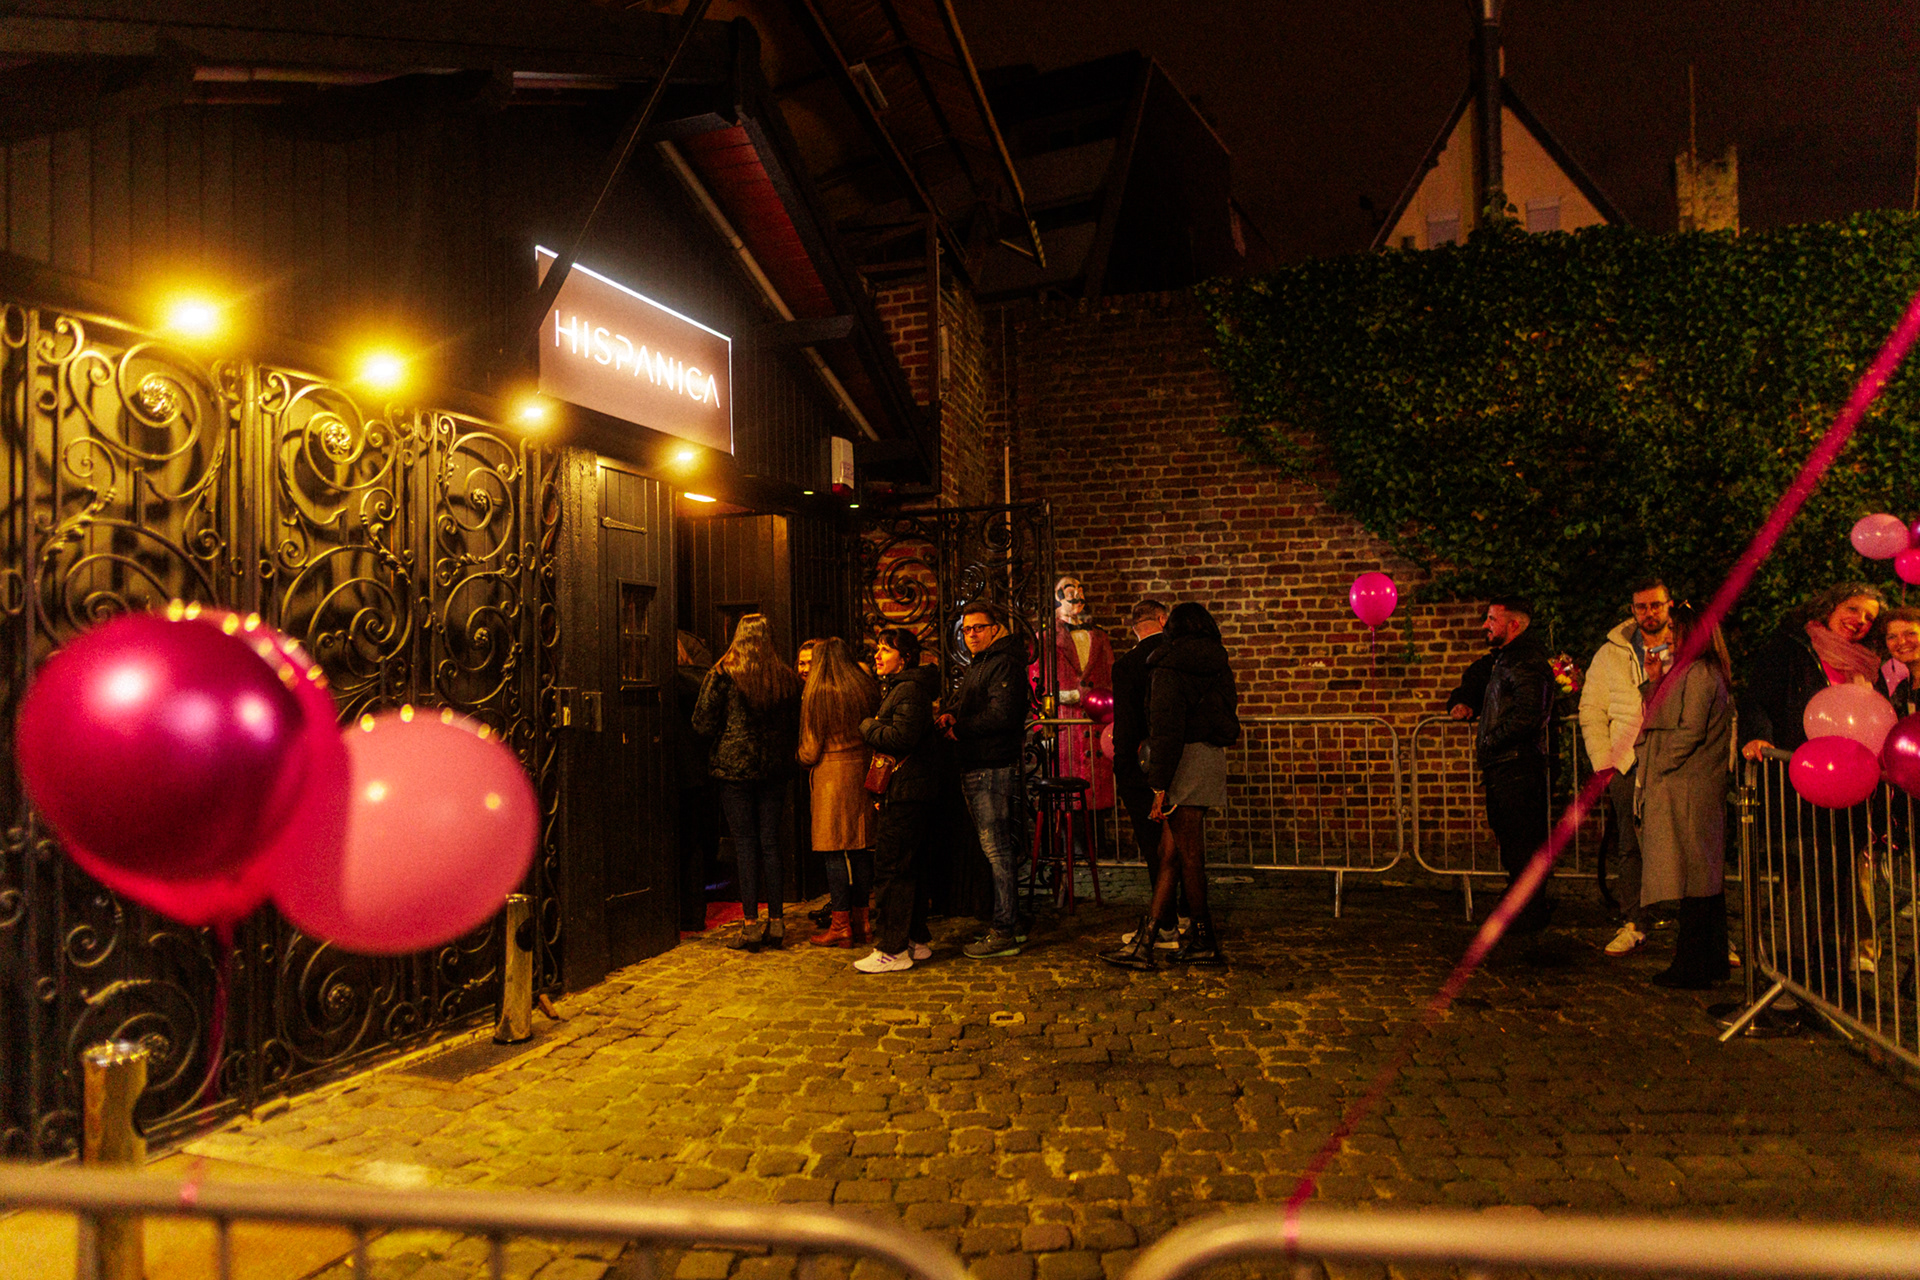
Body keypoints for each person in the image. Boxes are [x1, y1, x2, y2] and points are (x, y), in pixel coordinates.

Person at [1739, 583, 1885, 993]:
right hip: (1802, 787)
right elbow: (1756, 700)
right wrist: (1757, 736)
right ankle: (1790, 978)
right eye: (1852, 609)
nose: (1859, 620)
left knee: (1842, 887)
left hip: (1852, 793)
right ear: (1830, 606)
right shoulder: (1792, 649)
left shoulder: (1868, 664)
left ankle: (1831, 978)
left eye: (1869, 617)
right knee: (1809, 882)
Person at [1100, 601, 1239, 969]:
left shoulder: (1166, 666)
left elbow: (1166, 730)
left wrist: (1158, 786)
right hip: (1209, 758)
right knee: (1170, 854)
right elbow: (1228, 715)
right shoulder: (1217, 662)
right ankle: (1148, 940)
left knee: (1187, 855)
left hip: (1180, 763)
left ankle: (1203, 938)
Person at [1634, 604, 1735, 988]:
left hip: (1689, 787)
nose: (1668, 637)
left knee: (1694, 880)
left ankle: (1692, 964)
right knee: (1701, 879)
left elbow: (1689, 729)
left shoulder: (1701, 673)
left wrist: (1660, 765)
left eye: (1674, 631)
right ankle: (1711, 959)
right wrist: (1655, 680)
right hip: (1687, 784)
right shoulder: (1691, 672)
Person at [692, 614, 801, 951]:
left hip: (734, 768)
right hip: (773, 769)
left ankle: (750, 924)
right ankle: (777, 921)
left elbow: (702, 722)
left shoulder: (723, 674)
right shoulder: (784, 676)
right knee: (770, 842)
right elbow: (794, 724)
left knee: (745, 844)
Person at [1448, 596, 1556, 931]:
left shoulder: (1526, 662)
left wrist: (1490, 740)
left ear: (1514, 625)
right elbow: (1477, 680)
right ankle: (1522, 907)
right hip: (1505, 765)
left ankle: (1530, 912)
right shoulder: (1504, 660)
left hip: (1518, 766)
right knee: (1512, 842)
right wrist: (1462, 700)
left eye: (1492, 619)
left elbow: (1528, 714)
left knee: (1523, 843)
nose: (1485, 625)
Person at [1580, 579, 1672, 956]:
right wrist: (1605, 762)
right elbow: (1592, 709)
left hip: (1673, 759)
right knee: (1629, 846)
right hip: (1627, 761)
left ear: (1669, 605)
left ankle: (1697, 927)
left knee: (1682, 845)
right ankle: (1633, 920)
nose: (1649, 613)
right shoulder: (1610, 654)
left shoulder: (1686, 646)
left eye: (1655, 605)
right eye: (1641, 606)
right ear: (1632, 609)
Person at [938, 602, 1032, 959]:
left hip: (990, 764)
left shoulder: (1002, 662)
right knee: (996, 849)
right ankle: (1009, 922)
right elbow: (973, 702)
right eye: (966, 629)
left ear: (995, 628)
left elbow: (1002, 714)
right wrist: (952, 713)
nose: (971, 634)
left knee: (998, 850)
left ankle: (1005, 929)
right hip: (980, 761)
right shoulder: (983, 662)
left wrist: (960, 729)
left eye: (978, 627)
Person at [856, 628, 941, 974]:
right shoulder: (905, 687)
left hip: (907, 792)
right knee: (909, 866)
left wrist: (867, 727)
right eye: (877, 649)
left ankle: (891, 949)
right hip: (909, 790)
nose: (877, 656)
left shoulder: (908, 689)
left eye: (885, 650)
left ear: (904, 658)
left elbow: (901, 737)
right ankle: (915, 940)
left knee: (892, 869)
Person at [797, 638, 880, 948]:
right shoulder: (864, 688)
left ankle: (840, 925)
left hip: (831, 776)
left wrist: (799, 757)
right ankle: (863, 922)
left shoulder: (818, 694)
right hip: (862, 771)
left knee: (833, 851)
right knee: (860, 848)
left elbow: (810, 750)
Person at [1111, 597, 1181, 949]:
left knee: (1153, 846)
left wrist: (1122, 763)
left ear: (1135, 628)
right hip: (1181, 761)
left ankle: (1165, 922)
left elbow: (1125, 725)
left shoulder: (1127, 665)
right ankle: (1187, 916)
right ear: (1162, 619)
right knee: (1183, 845)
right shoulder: (1179, 656)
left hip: (1142, 764)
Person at [1032, 574, 1114, 830]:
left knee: (1097, 792)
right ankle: (1071, 840)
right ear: (1056, 598)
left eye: (1080, 590)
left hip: (1096, 723)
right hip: (1066, 725)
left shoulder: (1099, 636)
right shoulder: (1045, 637)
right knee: (1068, 792)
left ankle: (1097, 840)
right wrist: (1045, 724)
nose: (1077, 595)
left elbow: (1110, 675)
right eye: (1070, 590)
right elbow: (1037, 682)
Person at [674, 630, 718, 934]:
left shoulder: (674, 682)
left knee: (683, 843)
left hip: (679, 769)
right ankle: (693, 913)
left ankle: (682, 912)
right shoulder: (703, 679)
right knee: (694, 844)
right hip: (699, 770)